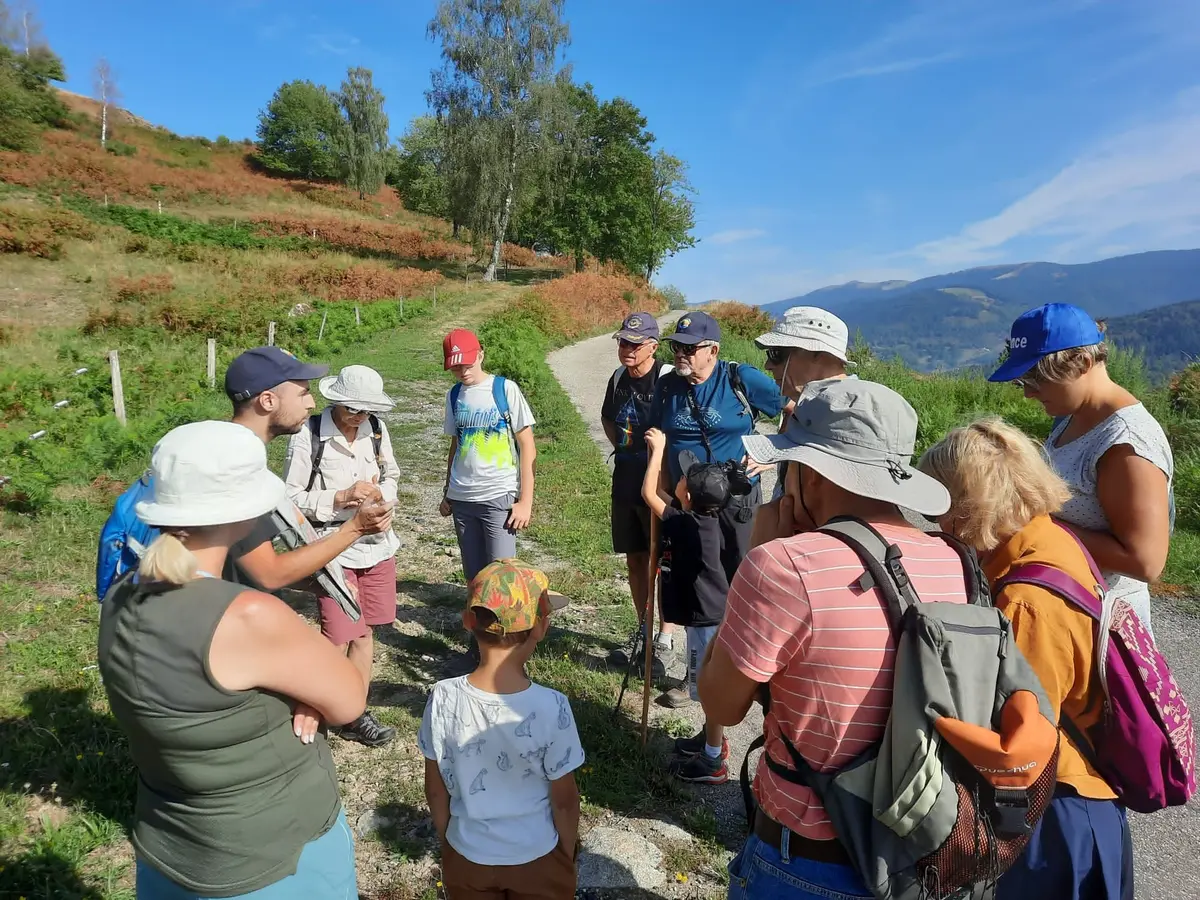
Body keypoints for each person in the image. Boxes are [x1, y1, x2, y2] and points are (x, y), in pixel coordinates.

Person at [697, 379, 968, 900]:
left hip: (808, 860)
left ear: (809, 471)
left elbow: (720, 703)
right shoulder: (955, 558)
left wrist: (760, 550)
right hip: (921, 852)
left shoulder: (783, 566)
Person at [98, 421, 369, 899]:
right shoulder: (247, 616)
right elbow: (348, 702)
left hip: (171, 850)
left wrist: (294, 689)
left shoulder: (122, 596)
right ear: (243, 513)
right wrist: (356, 642)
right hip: (273, 859)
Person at [919, 417, 1134, 900]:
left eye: (937, 506)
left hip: (1054, 811)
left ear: (964, 505)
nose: (933, 522)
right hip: (1075, 800)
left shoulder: (1025, 600)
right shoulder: (1050, 540)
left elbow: (1019, 741)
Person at [988, 303, 1173, 633]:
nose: (1029, 393)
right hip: (1066, 604)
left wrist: (1033, 526)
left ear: (1082, 364)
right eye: (1022, 381)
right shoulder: (1072, 416)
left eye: (1036, 378)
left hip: (1102, 623)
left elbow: (1146, 562)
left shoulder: (1125, 443)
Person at [419, 558, 583, 900]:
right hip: (537, 855)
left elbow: (435, 788)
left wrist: (450, 840)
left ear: (468, 621)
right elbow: (565, 801)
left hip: (467, 855)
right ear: (542, 626)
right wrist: (566, 853)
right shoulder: (552, 706)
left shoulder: (442, 696)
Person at [648, 311, 790, 658]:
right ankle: (699, 670)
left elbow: (792, 408)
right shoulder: (667, 387)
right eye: (677, 346)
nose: (680, 353)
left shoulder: (739, 378)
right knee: (696, 581)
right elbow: (659, 440)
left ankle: (745, 660)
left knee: (741, 576)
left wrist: (773, 453)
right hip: (689, 503)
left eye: (689, 347)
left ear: (712, 349)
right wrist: (665, 498)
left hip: (737, 501)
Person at [285, 365, 402, 748]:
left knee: (366, 631)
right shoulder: (309, 435)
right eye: (353, 409)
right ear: (336, 401)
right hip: (332, 548)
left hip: (376, 545)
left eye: (367, 410)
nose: (359, 417)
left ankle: (354, 712)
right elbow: (288, 500)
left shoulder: (378, 430)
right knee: (335, 636)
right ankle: (313, 710)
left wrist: (385, 502)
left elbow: (392, 475)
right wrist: (336, 498)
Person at [223, 346, 395, 591]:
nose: (313, 403)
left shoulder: (240, 457)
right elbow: (267, 575)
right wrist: (354, 522)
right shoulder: (233, 466)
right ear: (268, 400)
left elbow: (250, 570)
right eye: (303, 393)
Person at [641, 428, 732, 776]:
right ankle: (712, 740)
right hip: (714, 613)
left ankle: (712, 760)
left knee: (707, 689)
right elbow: (663, 494)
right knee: (707, 685)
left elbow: (650, 494)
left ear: (689, 496)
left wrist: (658, 450)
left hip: (704, 622)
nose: (678, 480)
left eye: (683, 480)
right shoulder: (707, 520)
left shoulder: (685, 525)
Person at [601, 312, 672, 673]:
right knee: (634, 558)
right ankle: (643, 629)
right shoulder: (618, 378)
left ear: (653, 347)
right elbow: (607, 417)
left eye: (635, 343)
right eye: (622, 342)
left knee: (663, 562)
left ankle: (666, 638)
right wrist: (625, 450)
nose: (626, 349)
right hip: (626, 480)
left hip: (660, 485)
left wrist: (660, 465)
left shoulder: (667, 379)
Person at [439, 329, 537, 582]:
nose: (463, 372)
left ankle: (508, 622)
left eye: (468, 364)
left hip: (498, 495)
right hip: (462, 498)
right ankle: (477, 622)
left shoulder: (504, 389)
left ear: (481, 355)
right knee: (475, 577)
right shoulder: (453, 396)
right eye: (456, 367)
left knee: (503, 576)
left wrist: (525, 501)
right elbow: (456, 444)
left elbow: (527, 446)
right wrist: (448, 491)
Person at [750, 306, 853, 546]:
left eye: (777, 353)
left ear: (817, 353)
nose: (768, 365)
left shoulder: (845, 419)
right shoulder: (810, 407)